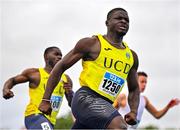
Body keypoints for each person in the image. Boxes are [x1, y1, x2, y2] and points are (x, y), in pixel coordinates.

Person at [38, 8, 140, 129]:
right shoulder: (92, 44)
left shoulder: (132, 57)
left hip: (105, 106)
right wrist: (46, 99)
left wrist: (133, 111)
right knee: (120, 127)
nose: (123, 21)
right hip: (85, 99)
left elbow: (134, 88)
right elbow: (60, 67)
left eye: (127, 20)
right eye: (119, 18)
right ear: (107, 23)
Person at [2, 46, 74, 129]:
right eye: (56, 54)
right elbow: (13, 80)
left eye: (61, 55)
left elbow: (71, 103)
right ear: (46, 57)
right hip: (34, 116)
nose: (59, 57)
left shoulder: (66, 79)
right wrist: (5, 89)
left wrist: (70, 93)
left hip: (51, 121)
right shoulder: (35, 74)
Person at [113, 71, 180, 129]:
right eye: (142, 82)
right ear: (135, 82)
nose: (144, 84)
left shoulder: (144, 100)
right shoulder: (123, 96)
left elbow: (157, 115)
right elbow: (109, 112)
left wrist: (168, 106)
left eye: (145, 82)